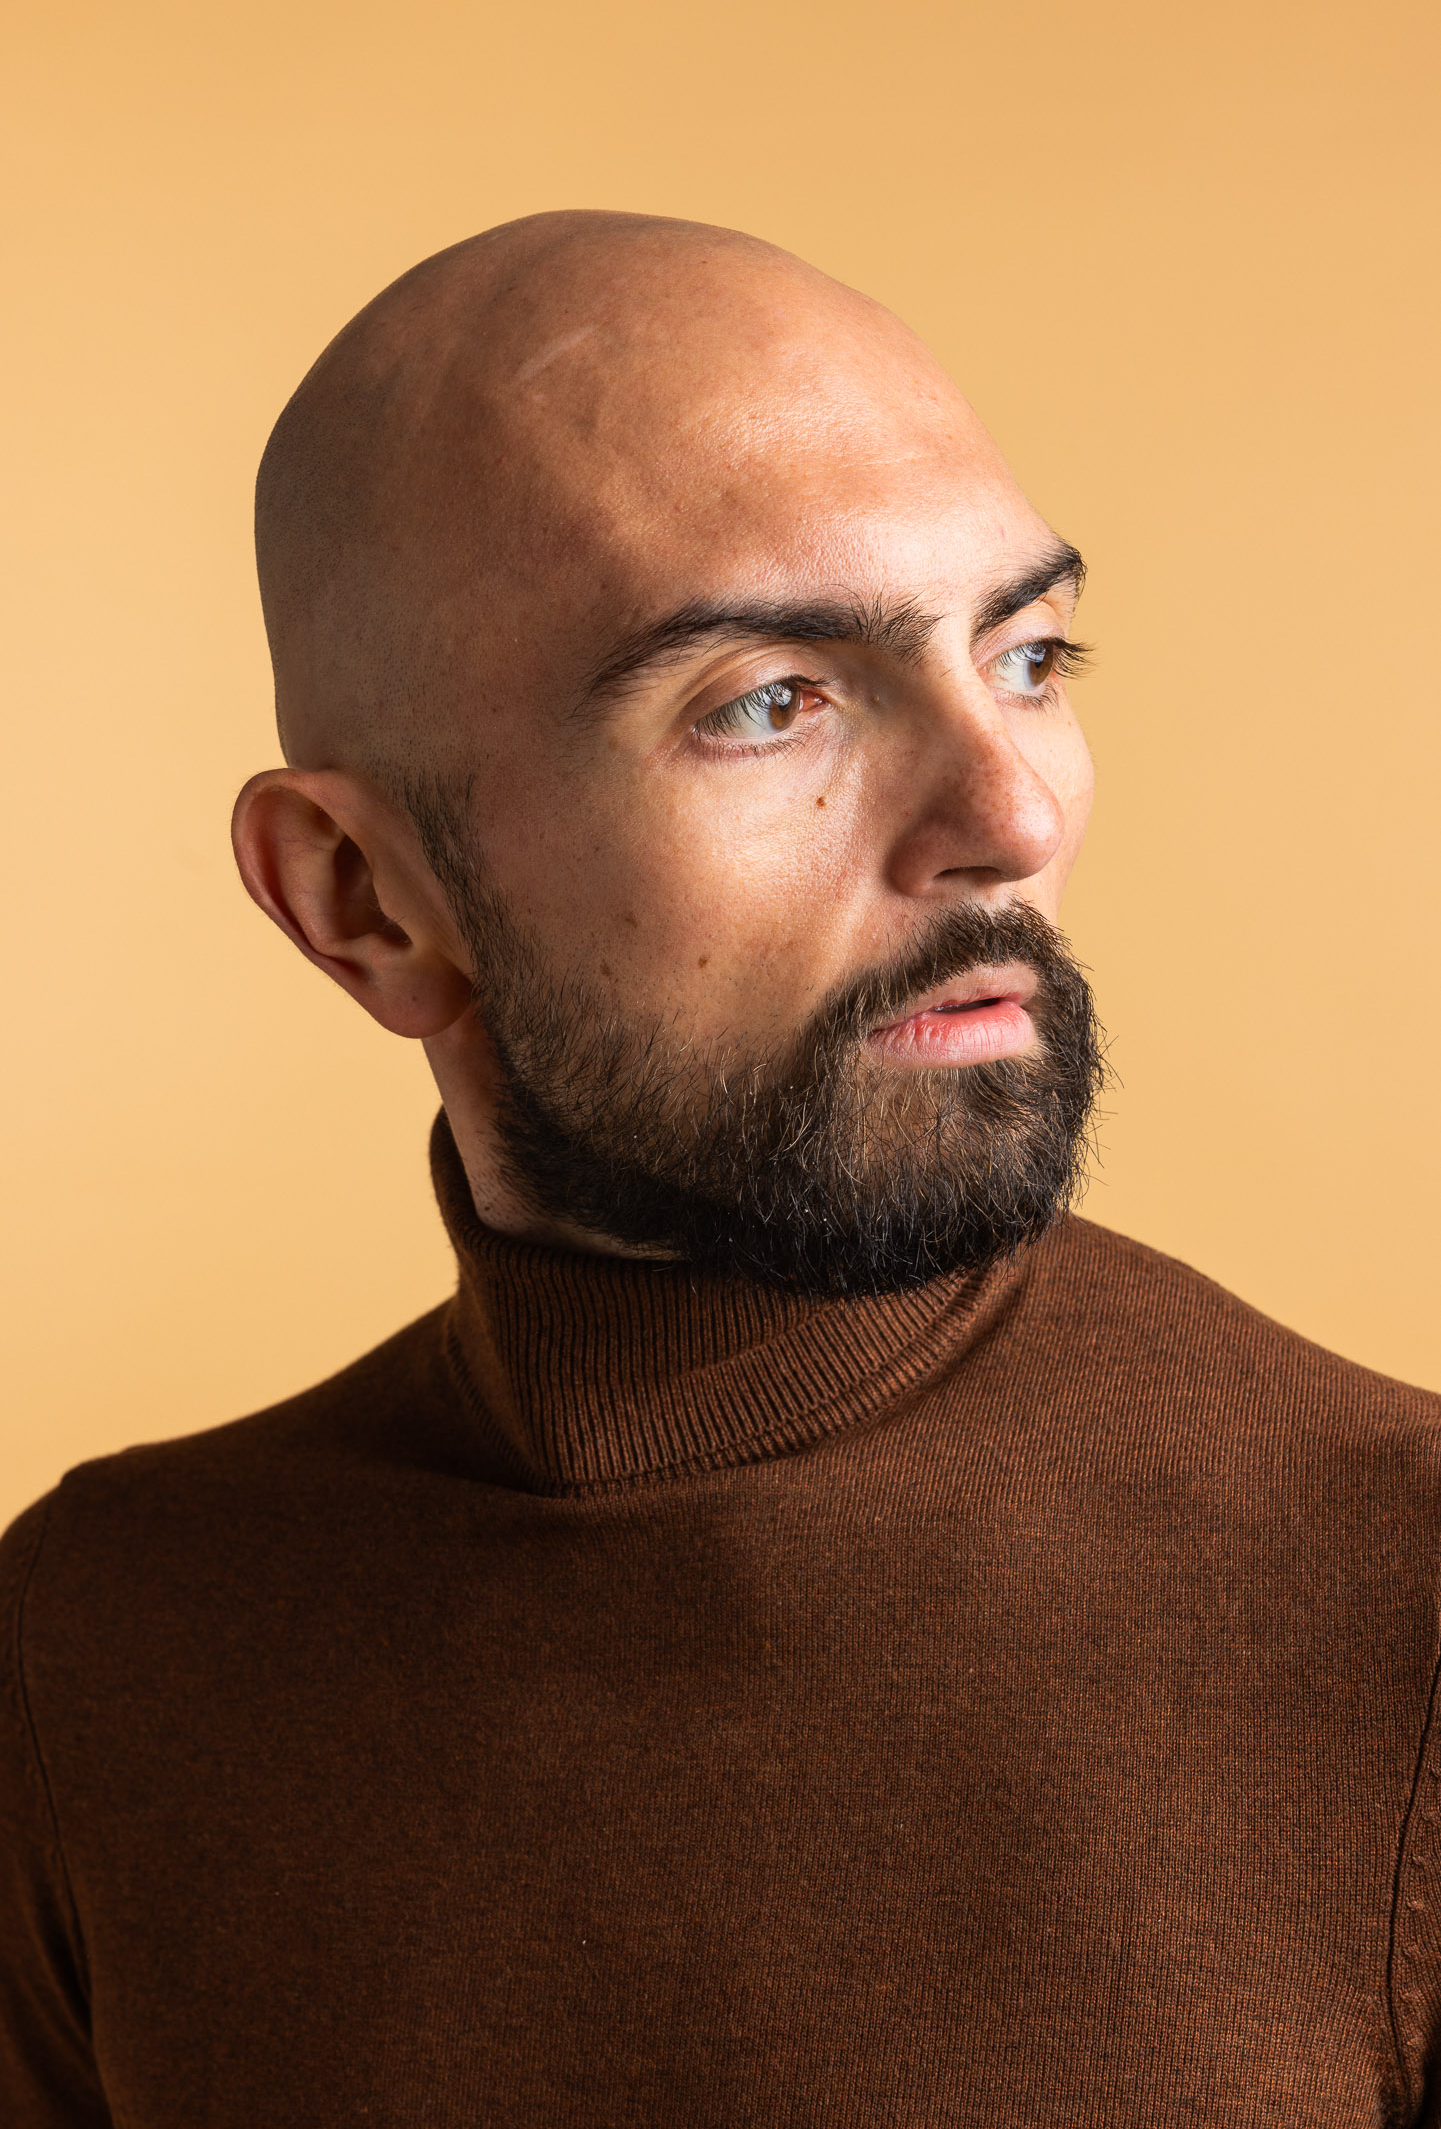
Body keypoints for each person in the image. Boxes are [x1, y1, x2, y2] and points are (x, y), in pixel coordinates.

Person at [2, 211, 1438, 2127]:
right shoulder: (95, 1652)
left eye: (1027, 654)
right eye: (769, 700)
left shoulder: (1397, 1605)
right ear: (359, 898)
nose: (1010, 814)